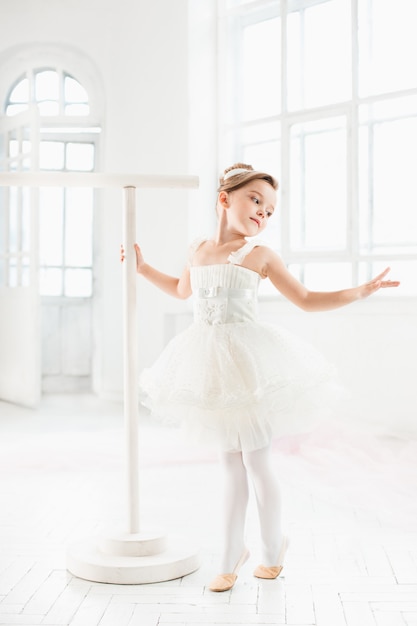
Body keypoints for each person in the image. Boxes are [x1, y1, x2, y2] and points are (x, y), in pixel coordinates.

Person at [121, 163, 399, 592]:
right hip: (210, 365)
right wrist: (143, 269)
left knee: (257, 460)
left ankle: (272, 548)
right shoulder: (198, 250)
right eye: (256, 201)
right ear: (224, 198)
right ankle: (232, 554)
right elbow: (181, 290)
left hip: (248, 367)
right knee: (229, 464)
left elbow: (305, 299)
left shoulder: (260, 256)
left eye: (270, 210)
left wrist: (358, 291)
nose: (263, 215)